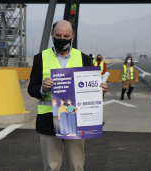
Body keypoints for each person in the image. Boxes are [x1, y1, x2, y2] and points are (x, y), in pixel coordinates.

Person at [28, 20, 108, 171]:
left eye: (66, 35)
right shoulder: (40, 58)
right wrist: (43, 89)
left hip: (76, 120)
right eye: (58, 35)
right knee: (51, 166)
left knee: (76, 166)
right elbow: (32, 88)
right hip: (48, 121)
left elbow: (91, 91)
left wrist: (100, 91)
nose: (62, 38)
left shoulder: (84, 59)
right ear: (52, 36)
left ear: (72, 37)